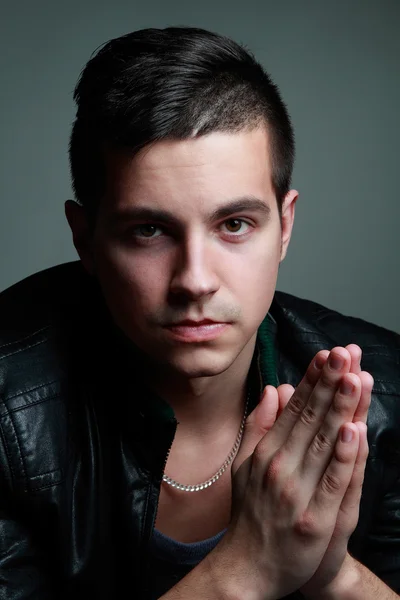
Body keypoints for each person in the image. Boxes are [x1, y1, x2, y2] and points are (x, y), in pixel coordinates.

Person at [0, 26, 399, 600]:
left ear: (284, 227)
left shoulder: (386, 398)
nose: (195, 280)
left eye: (234, 225)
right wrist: (248, 567)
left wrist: (334, 573)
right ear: (85, 239)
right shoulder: (11, 410)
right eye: (148, 230)